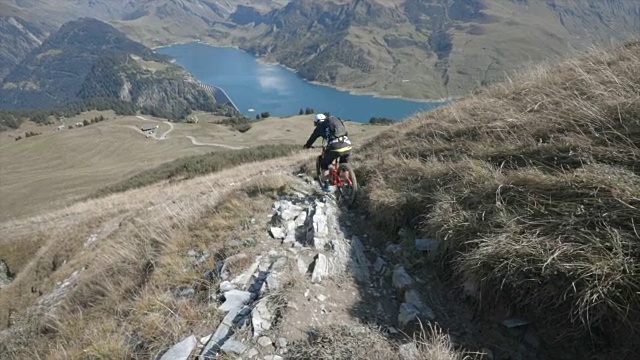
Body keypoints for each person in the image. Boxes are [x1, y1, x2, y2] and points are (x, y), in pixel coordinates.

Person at [303, 113, 353, 191]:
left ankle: (327, 185)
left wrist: (307, 146)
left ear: (317, 122)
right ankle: (347, 183)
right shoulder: (334, 119)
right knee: (344, 163)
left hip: (335, 147)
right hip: (347, 144)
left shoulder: (319, 127)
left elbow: (312, 139)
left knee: (324, 164)